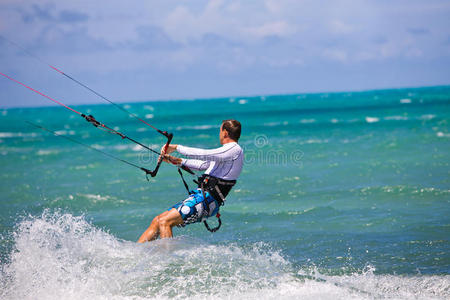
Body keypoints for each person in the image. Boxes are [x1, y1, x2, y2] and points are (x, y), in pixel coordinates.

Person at [137, 119, 244, 243]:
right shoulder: (227, 153)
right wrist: (175, 160)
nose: (219, 134)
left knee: (164, 222)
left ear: (225, 132)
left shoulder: (233, 149)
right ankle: (135, 253)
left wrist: (177, 147)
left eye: (220, 131)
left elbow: (204, 154)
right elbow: (204, 164)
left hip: (207, 200)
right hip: (203, 198)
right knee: (157, 221)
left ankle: (168, 261)